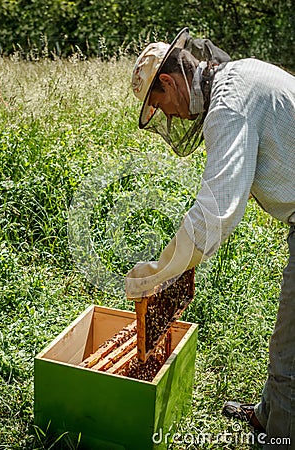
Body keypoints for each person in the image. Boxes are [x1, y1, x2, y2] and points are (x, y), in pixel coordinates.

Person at [125, 27, 295, 448]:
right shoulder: (239, 77)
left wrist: (156, 271)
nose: (172, 118)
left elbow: (215, 214)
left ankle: (278, 439)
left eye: (161, 106)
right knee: (286, 340)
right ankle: (267, 415)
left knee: (289, 358)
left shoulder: (230, 104)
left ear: (168, 81)